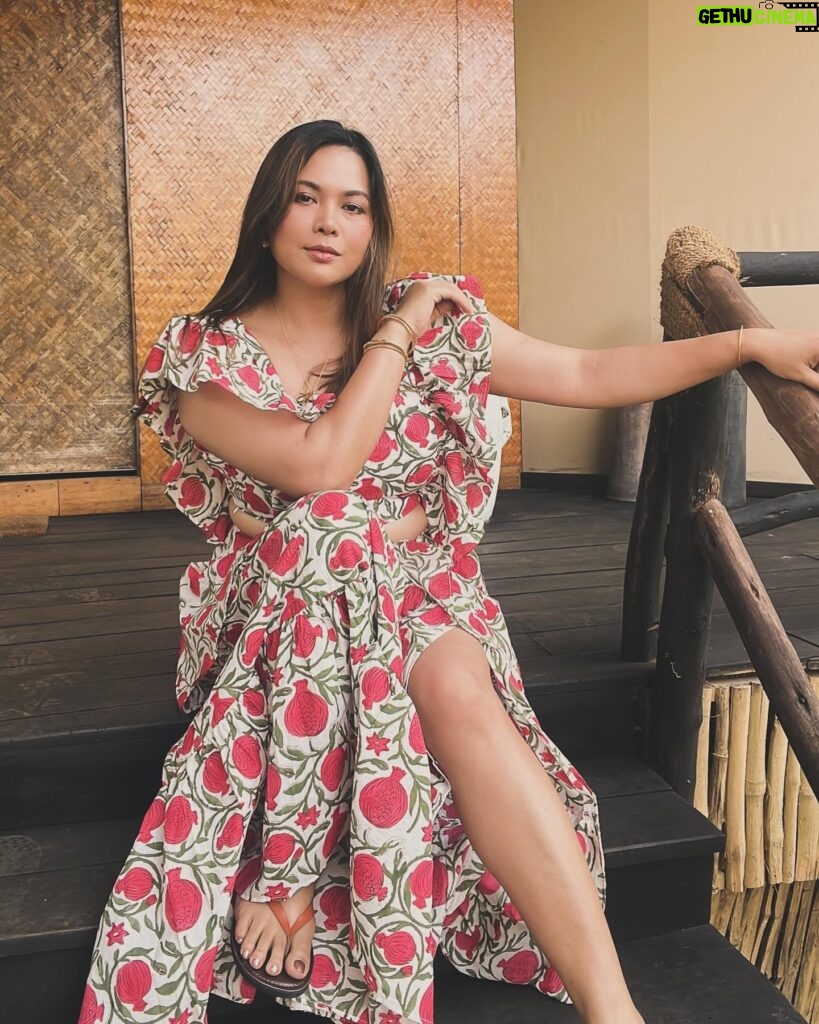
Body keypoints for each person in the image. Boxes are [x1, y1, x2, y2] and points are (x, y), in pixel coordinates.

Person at [78, 120, 819, 1024]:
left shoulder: (443, 320)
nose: (327, 222)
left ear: (372, 225)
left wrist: (745, 349)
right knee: (326, 526)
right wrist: (393, 332)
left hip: (418, 587)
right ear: (267, 212)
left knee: (460, 696)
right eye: (306, 197)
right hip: (280, 606)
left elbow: (587, 370)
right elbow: (320, 466)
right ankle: (294, 867)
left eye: (352, 205)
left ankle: (611, 1009)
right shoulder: (205, 356)